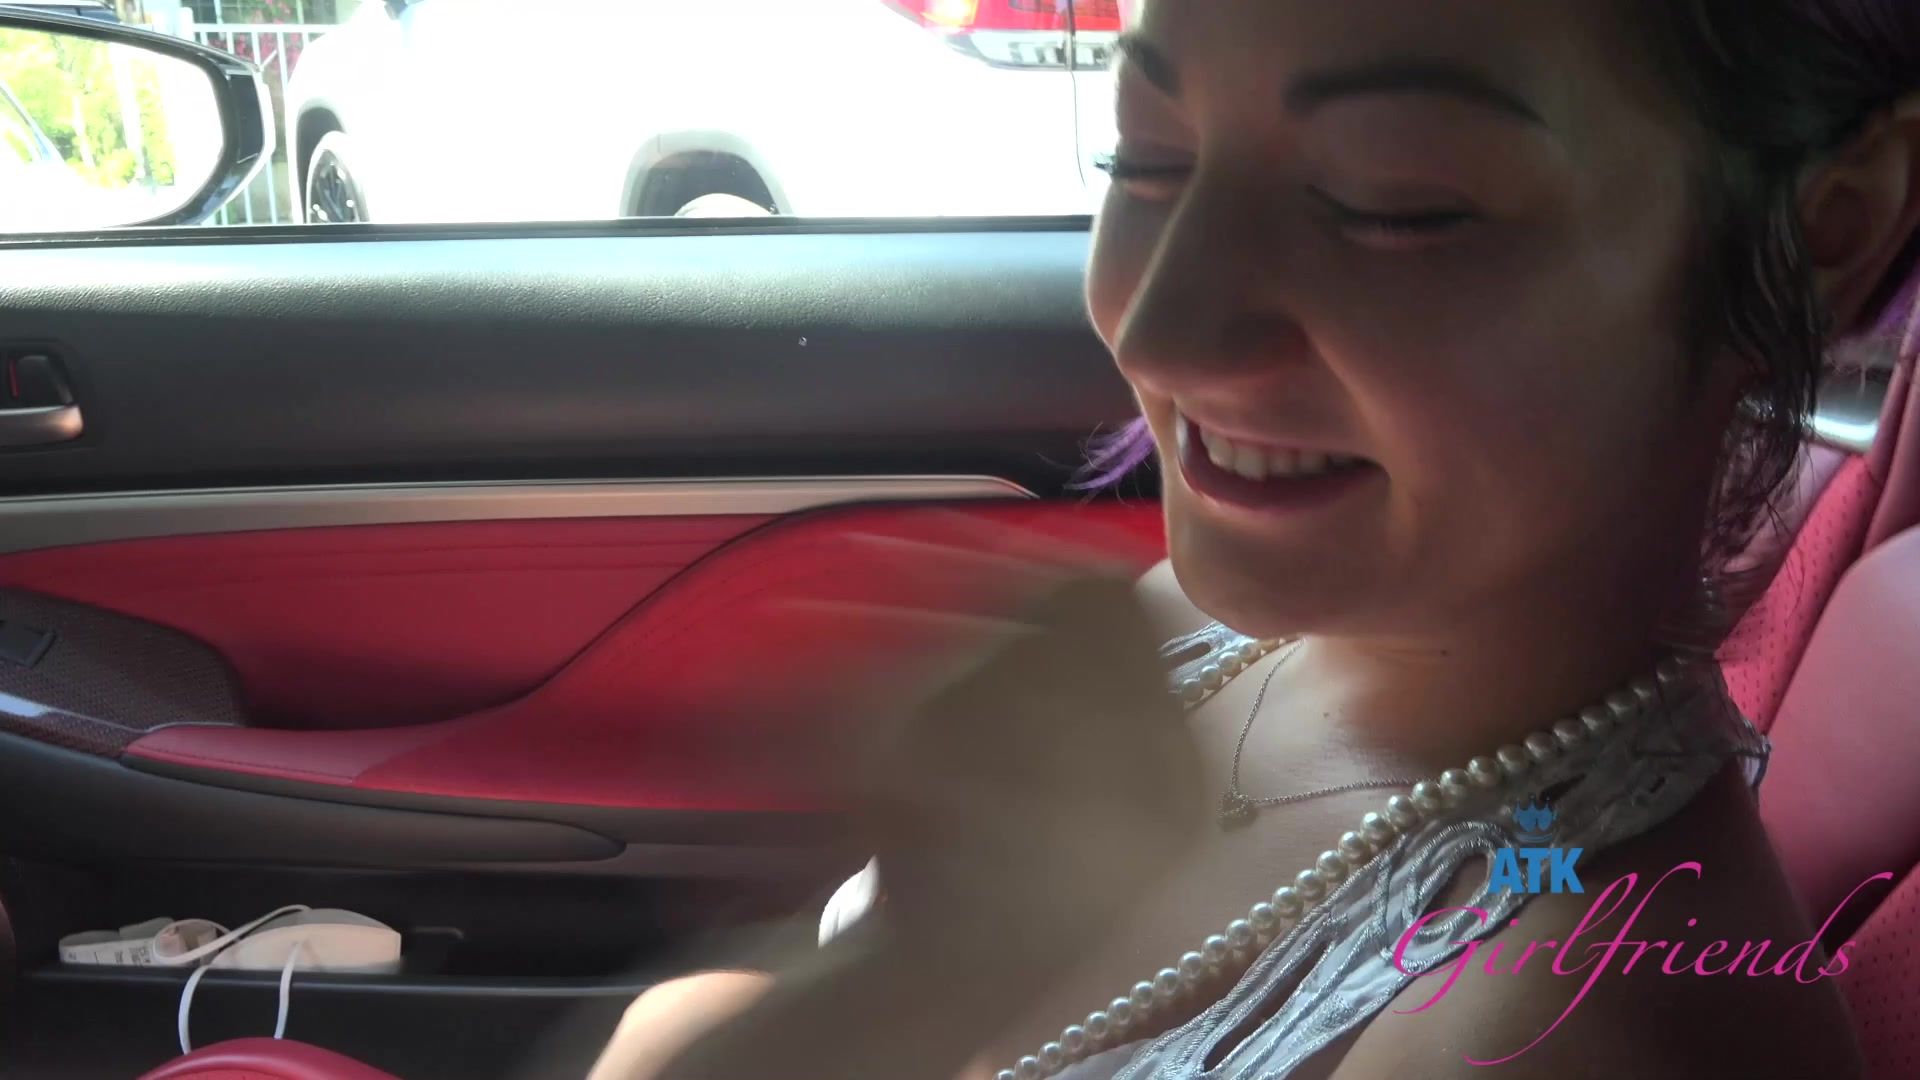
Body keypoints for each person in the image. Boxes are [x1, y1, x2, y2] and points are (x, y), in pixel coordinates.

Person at [588, 0, 1920, 1076]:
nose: (1161, 329)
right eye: (1145, 158)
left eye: (1394, 199)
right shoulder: (1223, 632)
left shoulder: (1578, 1026)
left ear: (1825, 233)